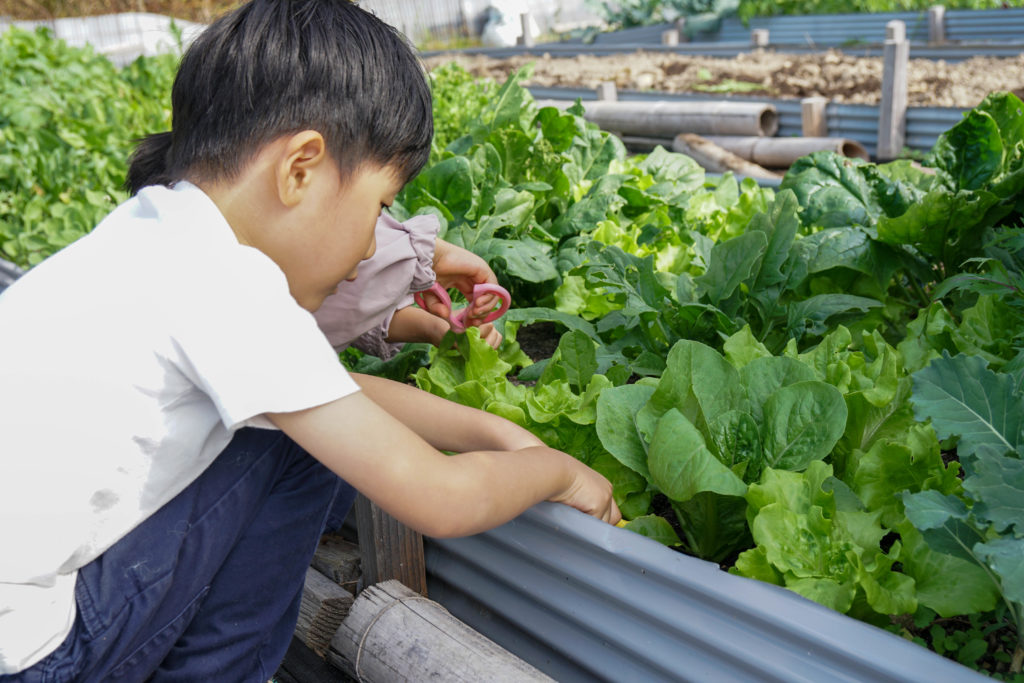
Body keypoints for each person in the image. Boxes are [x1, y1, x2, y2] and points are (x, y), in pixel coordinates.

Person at [0, 2, 619, 680]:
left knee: (296, 429)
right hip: (34, 657)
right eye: (381, 208)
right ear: (300, 167)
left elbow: (336, 391)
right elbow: (439, 497)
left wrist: (497, 435)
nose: (368, 246)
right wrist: (559, 471)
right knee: (298, 450)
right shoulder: (228, 283)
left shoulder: (152, 231)